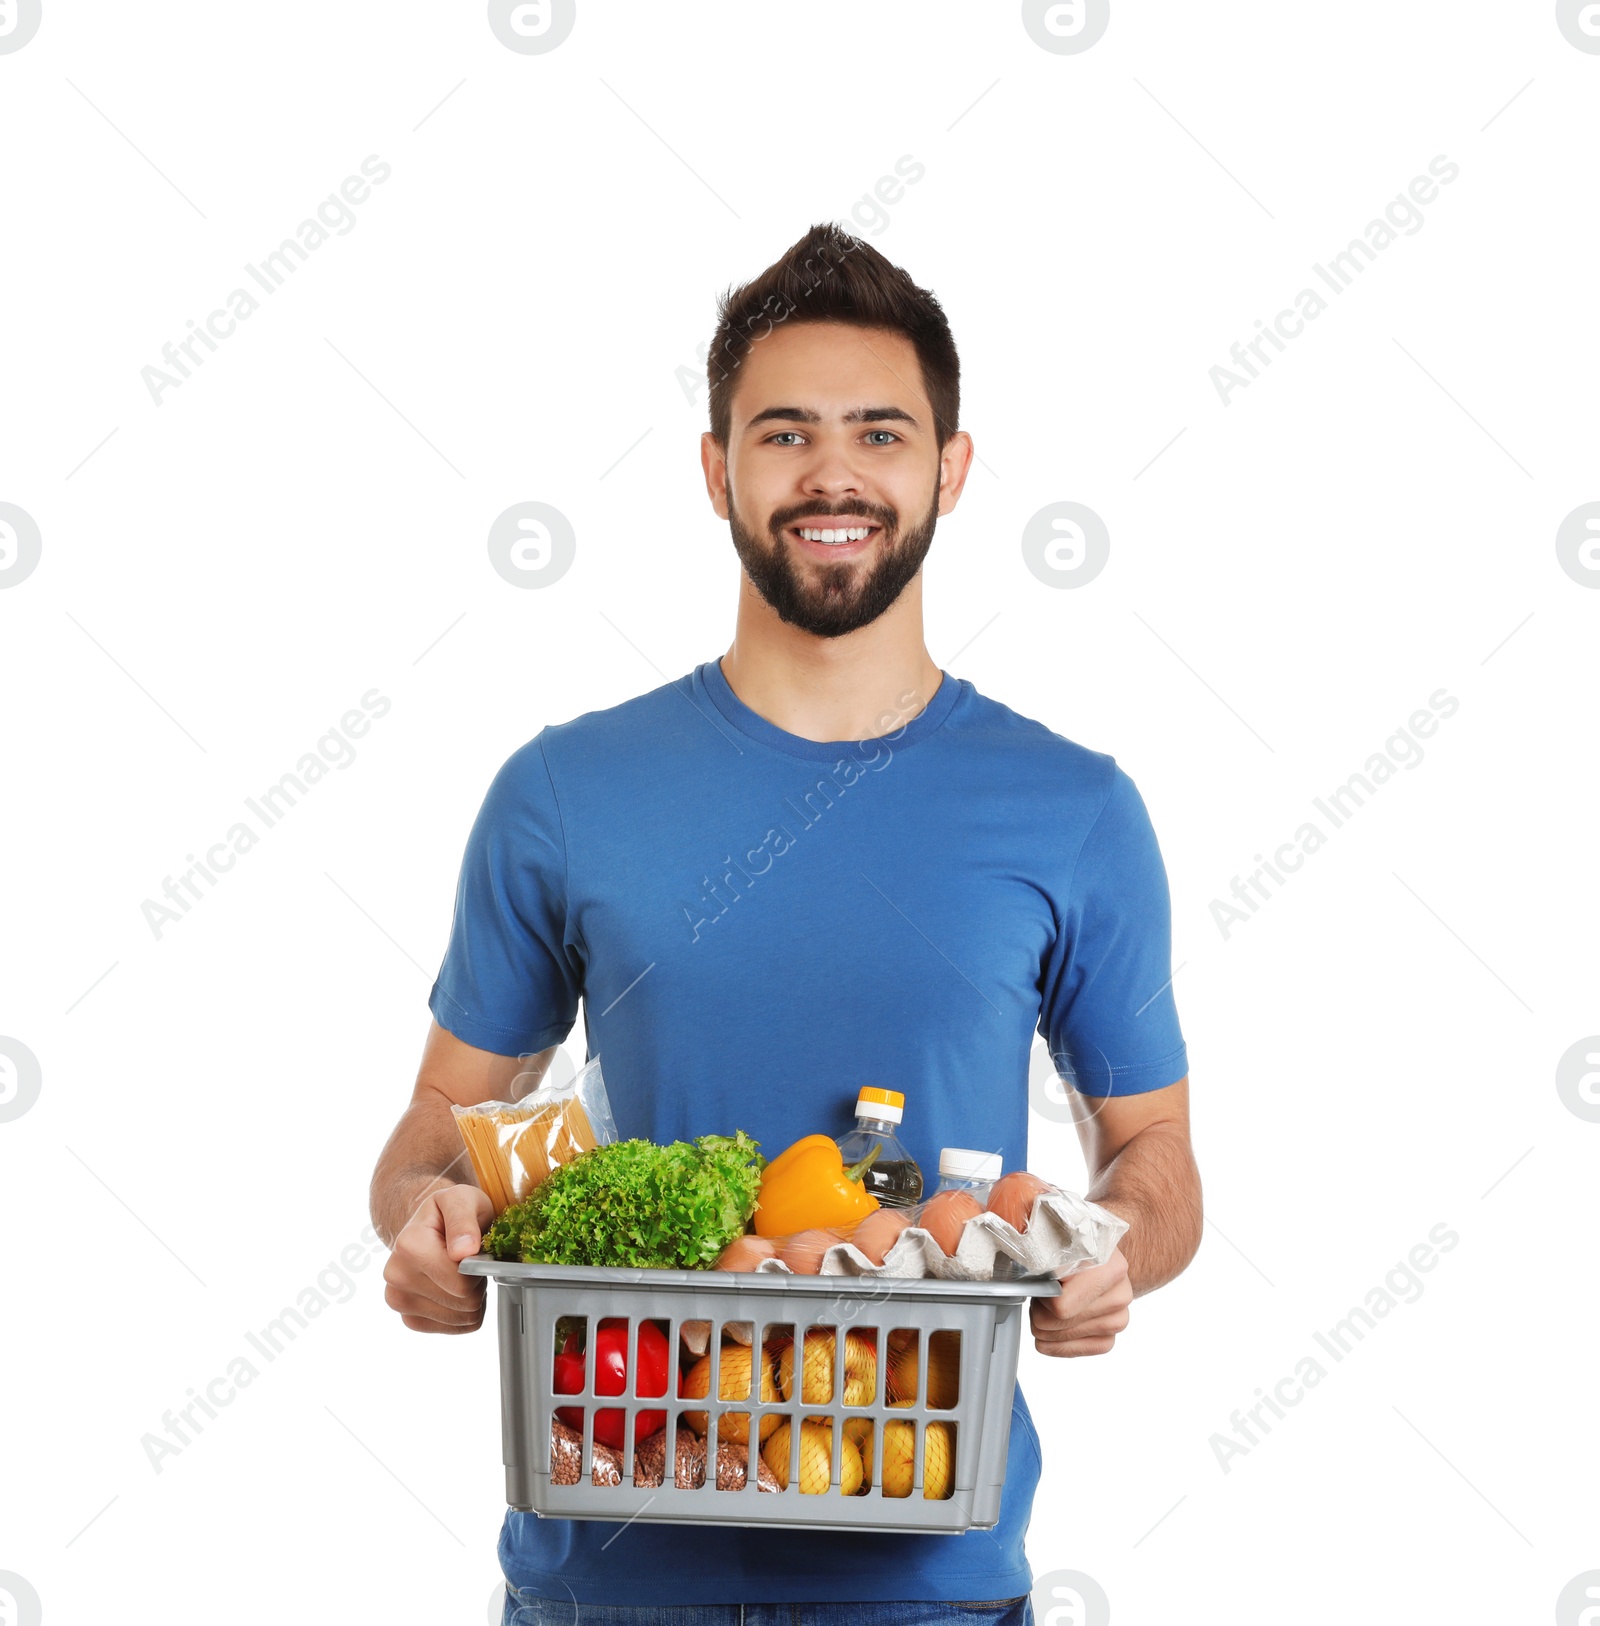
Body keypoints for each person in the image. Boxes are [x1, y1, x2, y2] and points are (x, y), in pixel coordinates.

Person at [369, 221, 1203, 1624]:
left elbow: (1156, 1149)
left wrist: (1106, 1240)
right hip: (607, 1572)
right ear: (717, 471)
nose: (834, 473)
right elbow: (437, 1125)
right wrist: (428, 1218)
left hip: (930, 1574)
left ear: (950, 467)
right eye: (784, 434)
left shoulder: (1075, 810)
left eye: (881, 433)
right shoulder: (566, 792)